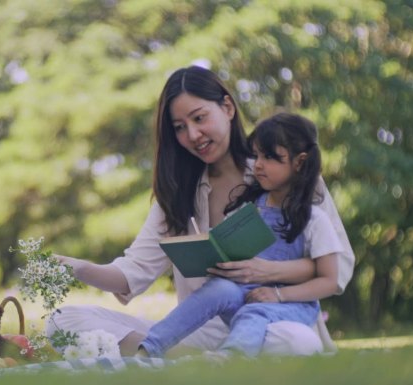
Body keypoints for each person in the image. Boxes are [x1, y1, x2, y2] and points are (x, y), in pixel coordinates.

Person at [48, 65, 355, 356]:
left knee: (296, 343)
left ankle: (179, 361)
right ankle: (188, 363)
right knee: (62, 321)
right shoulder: (177, 196)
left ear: (228, 108)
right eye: (180, 127)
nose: (193, 135)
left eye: (199, 118)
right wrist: (79, 268)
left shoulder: (287, 175)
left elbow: (336, 268)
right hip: (201, 330)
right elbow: (131, 274)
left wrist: (267, 271)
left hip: (274, 320)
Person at [138, 112, 341, 359]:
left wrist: (278, 295)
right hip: (244, 293)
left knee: (253, 312)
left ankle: (229, 360)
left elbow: (329, 280)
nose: (257, 164)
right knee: (217, 290)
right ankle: (148, 349)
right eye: (256, 155)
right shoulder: (249, 208)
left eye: (269, 157)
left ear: (299, 163)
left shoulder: (314, 219)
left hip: (291, 305)